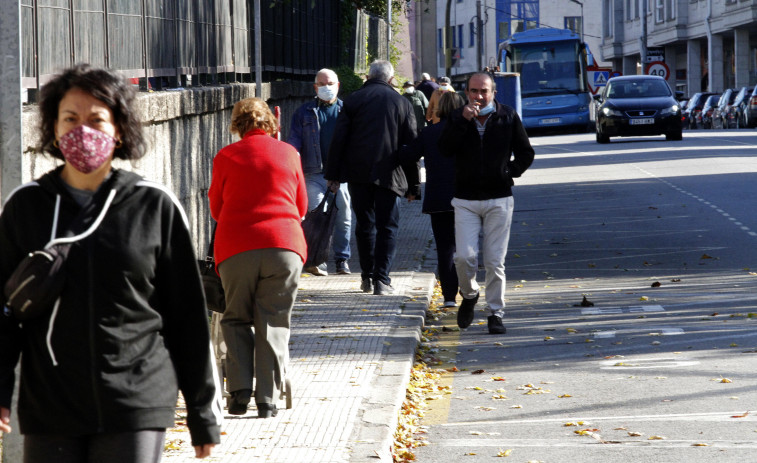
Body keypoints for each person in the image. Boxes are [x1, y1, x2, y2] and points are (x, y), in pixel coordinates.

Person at [0, 64, 221, 461]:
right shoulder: (25, 206)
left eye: (96, 119)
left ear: (119, 129)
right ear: (52, 127)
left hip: (135, 401)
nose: (82, 130)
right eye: (70, 118)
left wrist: (202, 413)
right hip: (51, 405)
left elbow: (186, 316)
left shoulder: (154, 206)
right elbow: (4, 312)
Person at [209, 97, 307, 419]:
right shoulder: (290, 154)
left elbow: (215, 209)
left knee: (235, 317)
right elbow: (302, 206)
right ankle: (268, 400)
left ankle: (238, 395)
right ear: (270, 123)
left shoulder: (225, 156)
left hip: (237, 248)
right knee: (273, 321)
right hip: (284, 247)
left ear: (237, 125)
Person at [439, 72, 535, 335]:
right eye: (473, 91)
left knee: (494, 261)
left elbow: (526, 152)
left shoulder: (507, 116)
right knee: (464, 257)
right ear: (466, 93)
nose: (478, 96)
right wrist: (462, 121)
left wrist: (509, 172)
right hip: (466, 199)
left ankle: (495, 313)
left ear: (493, 93)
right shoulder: (459, 117)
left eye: (484, 91)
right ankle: (469, 295)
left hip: (499, 198)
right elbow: (445, 149)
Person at [325, 60, 419, 296]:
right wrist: (413, 185)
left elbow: (339, 140)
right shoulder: (401, 102)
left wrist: (334, 175)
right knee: (387, 226)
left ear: (368, 77)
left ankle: (366, 277)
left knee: (365, 226)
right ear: (390, 79)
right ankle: (382, 280)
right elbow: (411, 146)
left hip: (359, 174)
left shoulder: (353, 100)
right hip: (391, 174)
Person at [400, 91, 466, 308]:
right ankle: (468, 291)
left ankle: (448, 297)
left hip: (438, 199)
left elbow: (409, 156)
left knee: (445, 248)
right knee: (467, 247)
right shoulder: (468, 130)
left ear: (440, 109)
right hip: (466, 198)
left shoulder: (429, 133)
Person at [288, 68, 353, 276]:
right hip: (314, 173)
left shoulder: (347, 111)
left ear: (338, 86)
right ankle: (317, 259)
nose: (327, 88)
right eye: (322, 84)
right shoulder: (304, 112)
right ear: (315, 87)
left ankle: (342, 259)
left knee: (343, 217)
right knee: (316, 216)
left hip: (341, 174)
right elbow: (294, 143)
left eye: (331, 83)